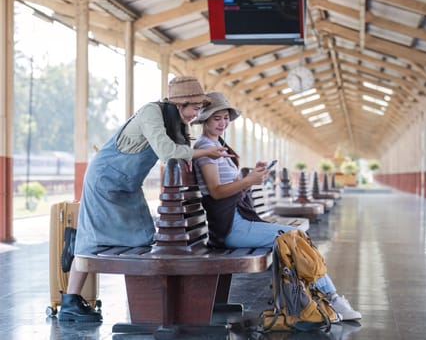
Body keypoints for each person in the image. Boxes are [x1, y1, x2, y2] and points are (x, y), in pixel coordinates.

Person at [58, 77, 232, 322]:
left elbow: (182, 155)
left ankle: (149, 306)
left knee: (144, 237)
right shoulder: (152, 113)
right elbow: (167, 153)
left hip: (129, 185)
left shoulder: (178, 123)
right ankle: (70, 302)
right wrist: (203, 152)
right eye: (194, 108)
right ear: (181, 104)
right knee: (90, 241)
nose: (196, 114)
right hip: (104, 179)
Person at [192, 91, 362, 321]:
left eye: (225, 118)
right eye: (216, 118)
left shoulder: (218, 146)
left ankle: (327, 299)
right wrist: (248, 181)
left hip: (238, 221)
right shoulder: (205, 148)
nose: (223, 123)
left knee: (296, 237)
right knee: (294, 236)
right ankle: (331, 299)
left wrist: (251, 176)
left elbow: (230, 186)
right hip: (232, 227)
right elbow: (215, 191)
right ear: (205, 119)